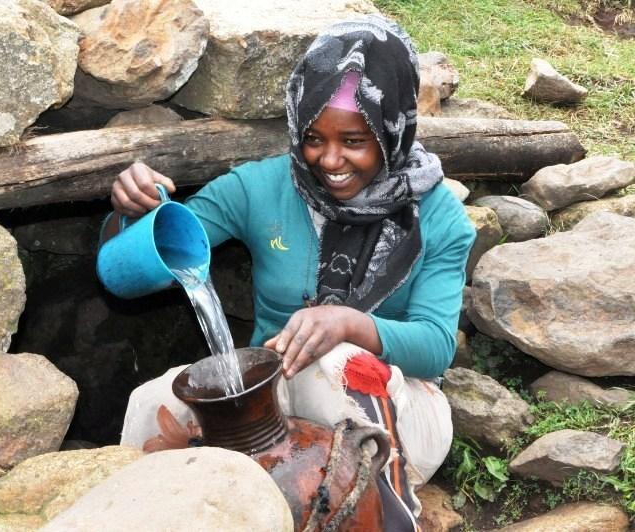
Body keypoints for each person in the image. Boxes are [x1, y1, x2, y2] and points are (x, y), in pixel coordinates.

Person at [101, 15, 475, 529]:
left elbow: (435, 346)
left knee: (336, 361)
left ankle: (385, 516)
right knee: (152, 402)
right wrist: (134, 213)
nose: (330, 158)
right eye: (313, 138)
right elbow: (132, 273)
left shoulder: (438, 216)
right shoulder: (262, 188)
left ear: (394, 128)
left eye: (354, 140)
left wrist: (347, 322)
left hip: (400, 411)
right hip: (269, 404)